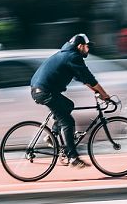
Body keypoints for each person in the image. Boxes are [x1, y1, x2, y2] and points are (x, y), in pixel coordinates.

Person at [30, 34, 113, 169]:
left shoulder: (67, 55)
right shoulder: (73, 57)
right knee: (68, 121)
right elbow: (89, 78)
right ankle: (73, 157)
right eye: (87, 46)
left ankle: (52, 135)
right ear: (80, 46)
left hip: (42, 90)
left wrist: (97, 91)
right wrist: (104, 95)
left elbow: (84, 79)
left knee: (69, 105)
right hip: (44, 92)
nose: (88, 49)